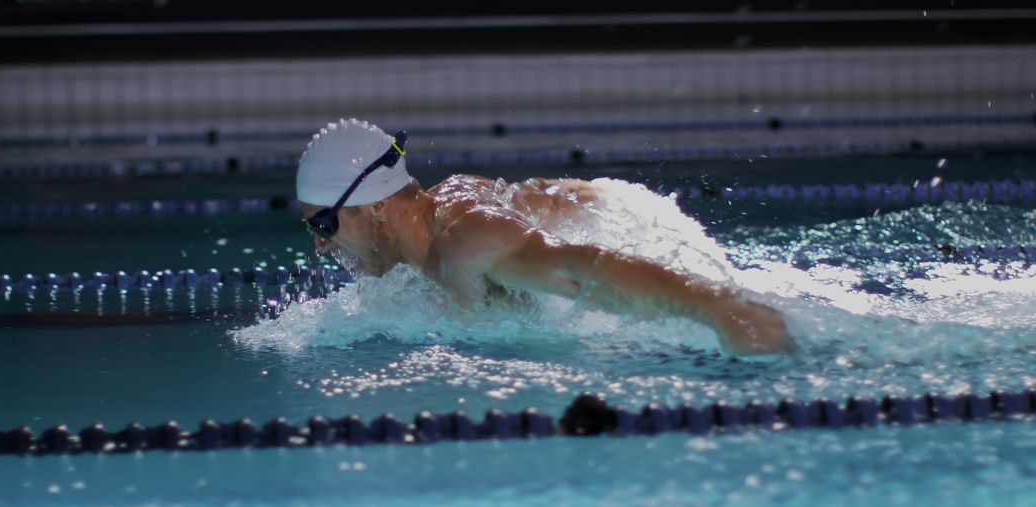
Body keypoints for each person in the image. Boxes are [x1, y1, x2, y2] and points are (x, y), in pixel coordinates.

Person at [296, 119, 795, 355]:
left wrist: (720, 311)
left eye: (325, 224)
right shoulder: (412, 249)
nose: (320, 244)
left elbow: (579, 270)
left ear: (378, 206)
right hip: (572, 201)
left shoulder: (465, 242)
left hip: (631, 228)